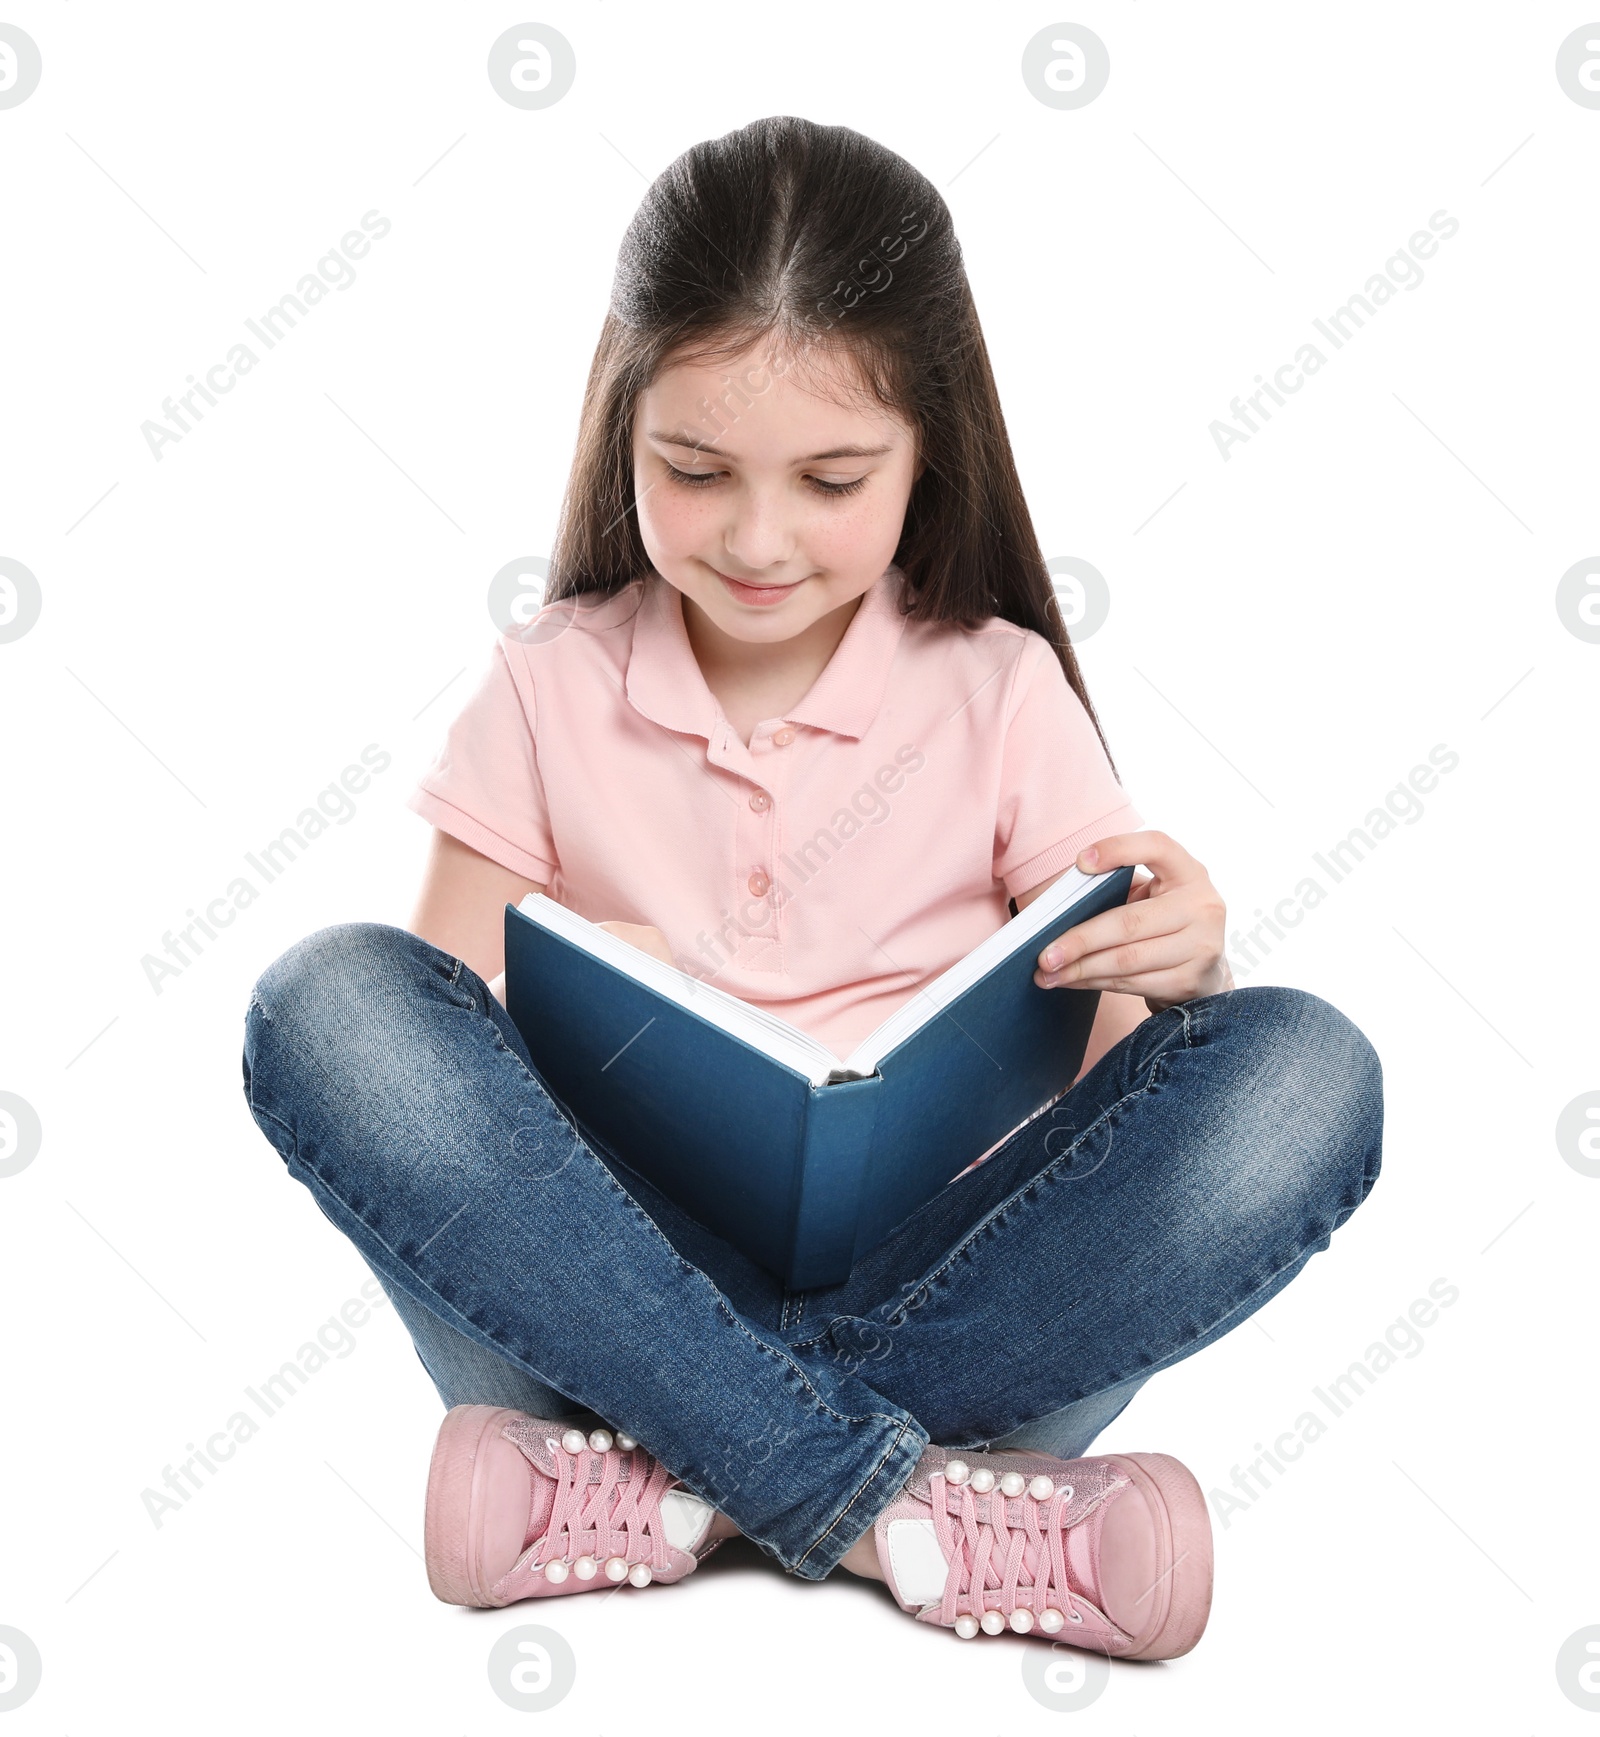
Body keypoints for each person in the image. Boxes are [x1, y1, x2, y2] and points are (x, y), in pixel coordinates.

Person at [240, 116, 1383, 1656]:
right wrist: (570, 985)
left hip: (953, 1296)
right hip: (601, 1307)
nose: (759, 538)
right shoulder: (540, 691)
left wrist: (1179, 962)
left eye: (834, 477)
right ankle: (913, 1512)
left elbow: (1122, 1081)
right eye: (695, 471)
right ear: (622, 426)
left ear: (931, 456)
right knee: (329, 999)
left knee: (1306, 1067)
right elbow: (427, 1054)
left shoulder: (999, 690)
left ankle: (676, 1489)